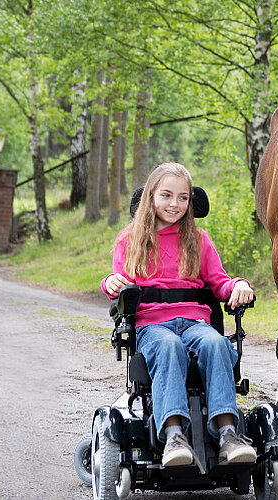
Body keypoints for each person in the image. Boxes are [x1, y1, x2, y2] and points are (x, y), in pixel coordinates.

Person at [101, 162, 257, 468]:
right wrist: (110, 282)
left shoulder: (198, 240)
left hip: (195, 322)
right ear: (151, 197)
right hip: (152, 325)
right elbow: (117, 284)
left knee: (215, 344)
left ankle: (227, 434)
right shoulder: (129, 240)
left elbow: (220, 282)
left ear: (191, 202)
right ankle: (173, 436)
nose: (175, 204)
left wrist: (239, 284)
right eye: (167, 195)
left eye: (183, 198)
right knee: (169, 346)